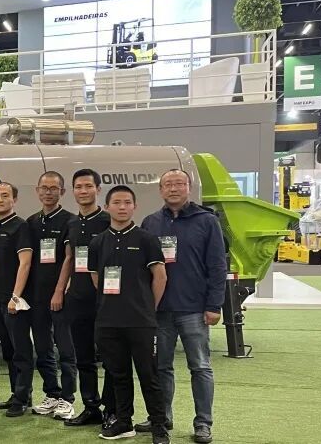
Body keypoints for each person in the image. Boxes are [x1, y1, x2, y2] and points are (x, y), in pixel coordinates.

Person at [138, 169, 225, 444]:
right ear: (160, 190)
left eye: (179, 184)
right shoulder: (151, 222)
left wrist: (214, 305)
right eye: (168, 184)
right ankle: (161, 418)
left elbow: (217, 266)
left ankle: (203, 423)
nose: (173, 189)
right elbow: (142, 268)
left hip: (194, 309)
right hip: (160, 310)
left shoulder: (207, 221)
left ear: (189, 187)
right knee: (161, 368)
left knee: (200, 367)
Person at [88, 185, 170, 444]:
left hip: (141, 322)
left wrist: (147, 308)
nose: (122, 207)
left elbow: (160, 277)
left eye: (127, 202)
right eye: (117, 202)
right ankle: (124, 421)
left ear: (135, 206)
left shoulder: (147, 239)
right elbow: (96, 278)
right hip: (108, 321)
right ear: (107, 206)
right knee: (118, 375)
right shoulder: (98, 242)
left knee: (149, 375)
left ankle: (159, 426)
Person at [61, 169, 114, 428]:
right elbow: (69, 259)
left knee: (111, 359)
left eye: (88, 186)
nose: (83, 191)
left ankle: (112, 409)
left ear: (98, 189)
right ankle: (91, 407)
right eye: (78, 187)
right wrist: (60, 290)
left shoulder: (107, 220)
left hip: (106, 301)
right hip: (78, 299)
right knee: (83, 358)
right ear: (73, 191)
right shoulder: (71, 223)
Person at [24, 172, 78, 419]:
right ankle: (52, 393)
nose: (48, 192)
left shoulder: (70, 221)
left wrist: (58, 291)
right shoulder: (31, 222)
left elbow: (69, 258)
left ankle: (67, 398)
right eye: (44, 188)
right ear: (37, 191)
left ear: (62, 192)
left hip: (60, 297)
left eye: (53, 188)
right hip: (35, 298)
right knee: (43, 348)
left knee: (65, 349)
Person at [0, 183, 34, 417]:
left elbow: (25, 263)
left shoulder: (20, 226)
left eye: (5, 196)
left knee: (21, 350)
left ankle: (23, 398)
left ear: (14, 199)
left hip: (13, 301)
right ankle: (16, 393)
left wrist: (15, 297)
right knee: (8, 351)